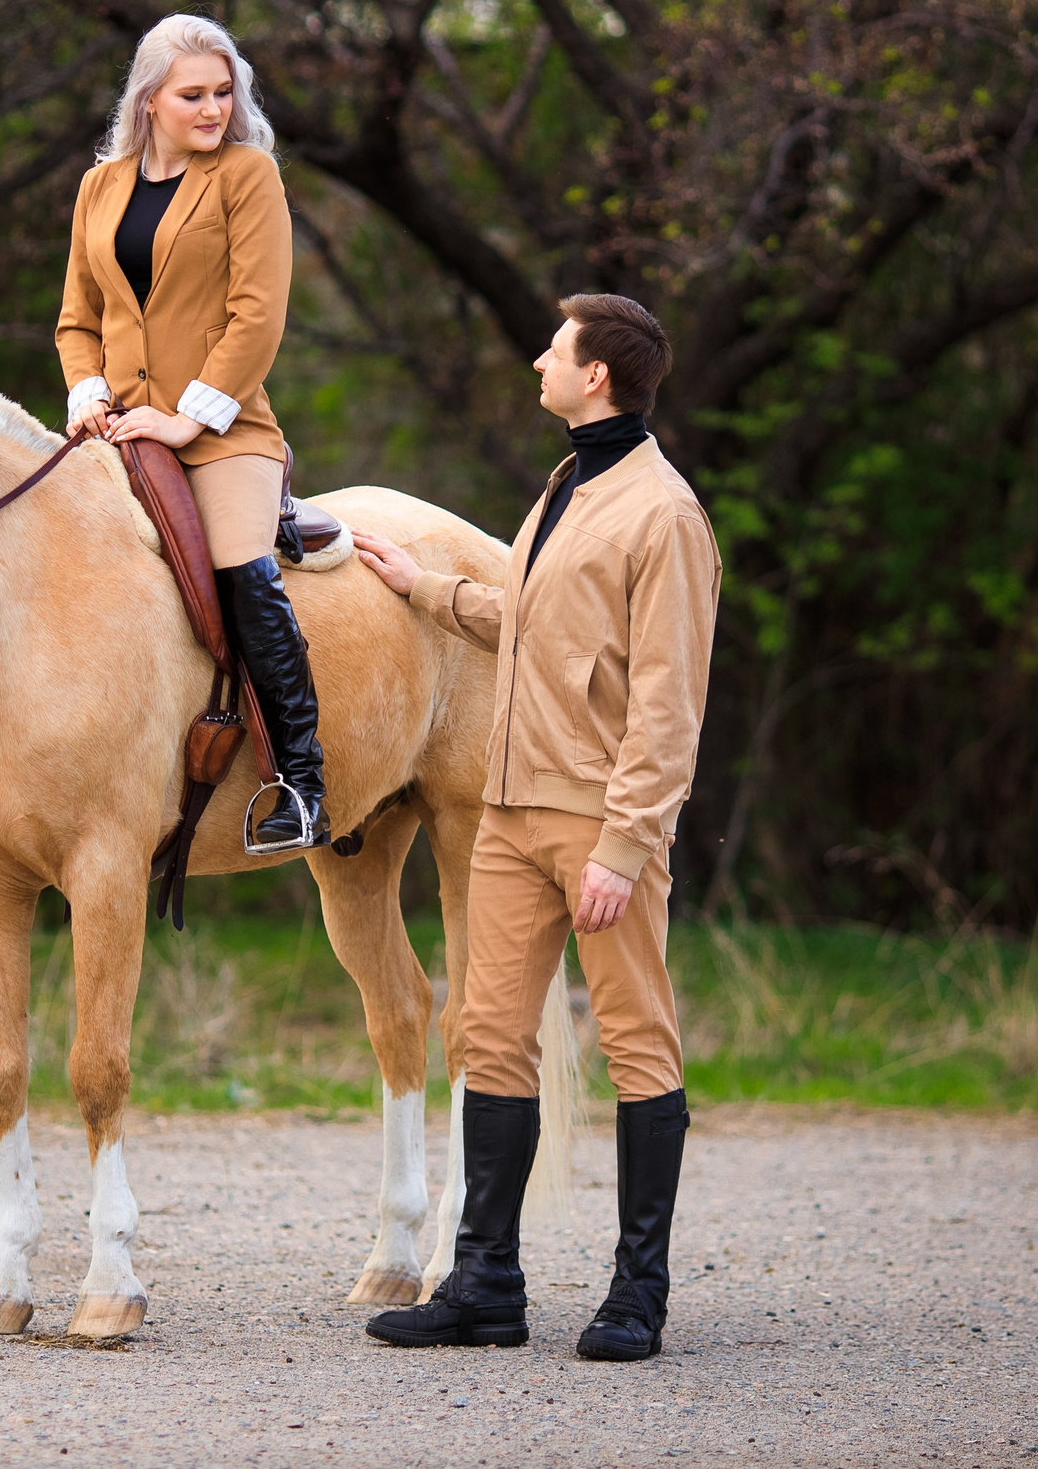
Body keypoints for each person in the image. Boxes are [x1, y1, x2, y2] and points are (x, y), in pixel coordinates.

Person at [348, 294, 720, 1362]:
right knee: (489, 1036)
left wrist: (624, 844)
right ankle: (485, 1286)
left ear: (596, 375)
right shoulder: (570, 480)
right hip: (509, 814)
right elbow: (535, 620)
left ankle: (636, 1295)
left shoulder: (664, 515)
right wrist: (427, 590)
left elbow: (667, 700)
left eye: (553, 351)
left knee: (639, 1045)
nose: (536, 362)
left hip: (598, 823)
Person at [57, 14, 328, 853]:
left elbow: (258, 316)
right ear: (150, 102)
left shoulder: (248, 177)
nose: (214, 109)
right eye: (194, 95)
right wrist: (87, 393)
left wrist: (185, 418)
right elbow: (77, 318)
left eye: (223, 92)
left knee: (244, 572)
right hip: (117, 430)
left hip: (222, 430)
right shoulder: (99, 188)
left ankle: (300, 783)